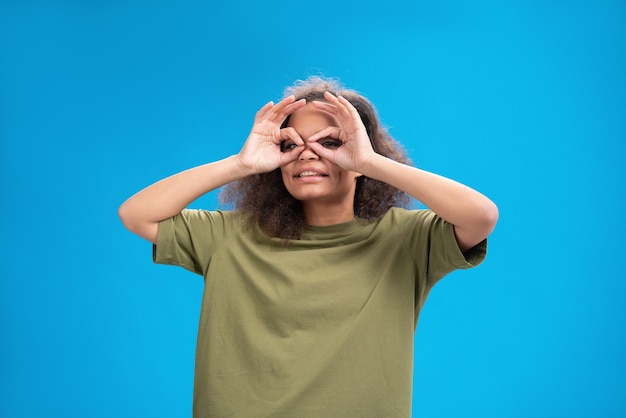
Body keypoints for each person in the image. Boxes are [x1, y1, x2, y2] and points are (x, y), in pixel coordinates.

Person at [118, 76, 498, 417]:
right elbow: (137, 215)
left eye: (331, 142)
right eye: (290, 143)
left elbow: (480, 216)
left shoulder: (407, 239)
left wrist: (369, 161)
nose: (308, 153)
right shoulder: (229, 236)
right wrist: (241, 163)